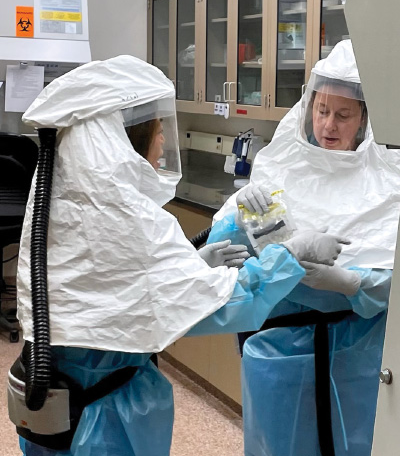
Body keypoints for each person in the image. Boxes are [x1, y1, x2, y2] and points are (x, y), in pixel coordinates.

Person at [13, 55, 346, 456]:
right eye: (158, 131)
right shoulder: (123, 216)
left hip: (62, 404)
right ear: (128, 137)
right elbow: (220, 311)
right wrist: (291, 254)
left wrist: (191, 266)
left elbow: (128, 288)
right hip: (100, 420)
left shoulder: (69, 197)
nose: (163, 144)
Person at [207, 40, 400, 456]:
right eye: (322, 110)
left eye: (344, 115)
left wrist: (350, 283)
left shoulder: (388, 182)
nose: (329, 125)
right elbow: (227, 257)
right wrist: (242, 215)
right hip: (277, 353)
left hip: (353, 359)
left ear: (366, 119)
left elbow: (395, 284)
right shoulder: (281, 167)